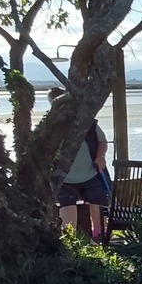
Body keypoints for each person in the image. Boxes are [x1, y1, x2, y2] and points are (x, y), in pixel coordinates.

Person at [49, 87, 109, 242]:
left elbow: (102, 141)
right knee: (67, 214)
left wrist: (100, 156)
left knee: (98, 210)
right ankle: (71, 243)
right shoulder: (50, 126)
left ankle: (99, 240)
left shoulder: (87, 122)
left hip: (91, 173)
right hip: (65, 179)